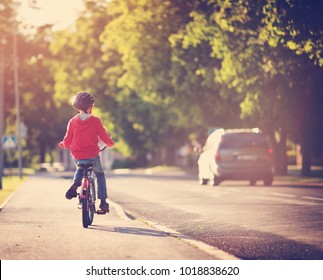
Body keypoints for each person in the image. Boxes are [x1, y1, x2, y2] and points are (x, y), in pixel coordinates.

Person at [58, 91, 115, 213]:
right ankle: (103, 203)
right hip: (92, 155)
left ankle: (76, 183)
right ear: (90, 107)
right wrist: (110, 143)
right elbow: (104, 137)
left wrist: (63, 145)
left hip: (78, 155)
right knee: (100, 175)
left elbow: (67, 140)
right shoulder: (95, 121)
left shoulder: (72, 121)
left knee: (80, 167)